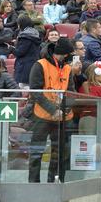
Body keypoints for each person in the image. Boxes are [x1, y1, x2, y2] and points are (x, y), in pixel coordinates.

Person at [28, 38, 76, 183]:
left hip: (63, 117)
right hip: (42, 115)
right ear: (66, 54)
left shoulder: (68, 68)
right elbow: (35, 92)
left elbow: (71, 92)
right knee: (36, 152)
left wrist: (64, 109)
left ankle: (53, 182)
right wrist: (53, 109)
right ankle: (34, 185)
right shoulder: (40, 65)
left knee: (59, 154)